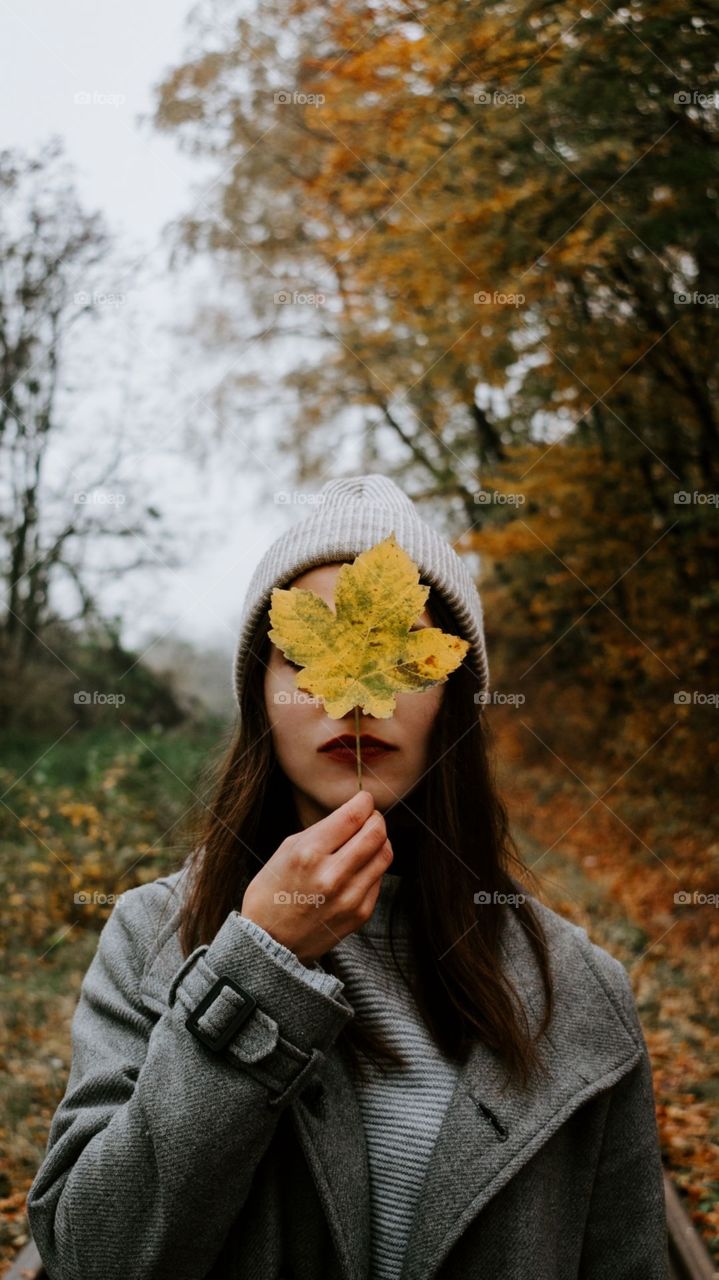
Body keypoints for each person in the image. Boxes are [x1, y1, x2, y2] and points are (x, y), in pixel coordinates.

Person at [26, 474, 670, 1279]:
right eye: (304, 658)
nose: (354, 702)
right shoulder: (149, 936)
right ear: (260, 698)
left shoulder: (578, 989)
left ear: (454, 700)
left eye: (402, 654)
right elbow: (92, 1254)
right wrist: (254, 968)